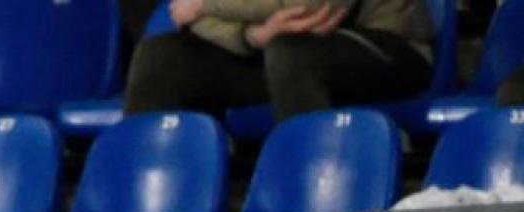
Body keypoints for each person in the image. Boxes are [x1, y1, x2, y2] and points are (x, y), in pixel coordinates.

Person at [124, 0, 434, 121]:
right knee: (164, 56)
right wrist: (251, 35)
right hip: (273, 50)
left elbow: (310, 5)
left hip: (385, 47)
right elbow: (184, 14)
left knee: (293, 53)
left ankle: (309, 203)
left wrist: (209, 4)